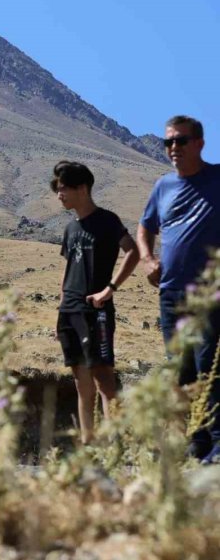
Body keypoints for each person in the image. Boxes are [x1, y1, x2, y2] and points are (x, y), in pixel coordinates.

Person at [137, 115, 220, 464]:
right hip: (170, 294)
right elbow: (145, 227)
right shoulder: (163, 187)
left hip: (208, 294)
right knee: (180, 369)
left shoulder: (217, 178)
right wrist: (146, 259)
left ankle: (217, 444)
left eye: (181, 141)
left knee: (208, 367)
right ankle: (196, 444)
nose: (173, 148)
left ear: (199, 143)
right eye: (168, 142)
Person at [51, 161, 140, 445]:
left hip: (96, 311)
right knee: (81, 382)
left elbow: (133, 251)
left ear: (83, 188)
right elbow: (70, 270)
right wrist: (62, 307)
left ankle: (117, 446)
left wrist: (109, 289)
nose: (59, 194)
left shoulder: (107, 221)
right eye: (57, 189)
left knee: (104, 379)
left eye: (63, 188)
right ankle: (88, 444)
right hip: (70, 312)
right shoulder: (70, 229)